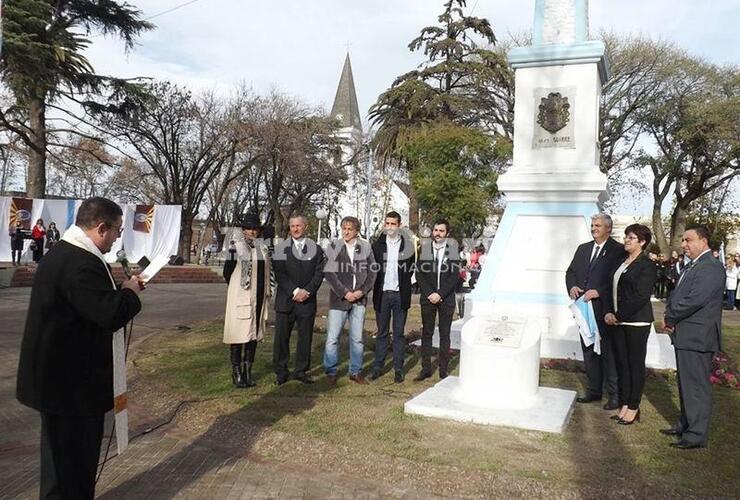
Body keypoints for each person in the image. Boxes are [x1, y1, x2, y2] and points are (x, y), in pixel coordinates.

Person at [16, 197, 144, 499]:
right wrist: (130, 293)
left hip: (57, 381)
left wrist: (120, 291)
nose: (116, 239)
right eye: (116, 231)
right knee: (74, 468)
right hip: (73, 389)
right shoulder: (81, 263)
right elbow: (109, 313)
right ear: (101, 227)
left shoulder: (62, 253)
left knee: (59, 465)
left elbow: (87, 306)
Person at [662, 226, 725, 449]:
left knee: (696, 386)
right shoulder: (695, 265)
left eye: (689, 240)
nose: (684, 244)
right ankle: (686, 424)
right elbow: (678, 294)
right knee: (686, 384)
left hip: (698, 336)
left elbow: (695, 299)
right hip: (687, 334)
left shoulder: (711, 266)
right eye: (683, 241)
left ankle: (696, 434)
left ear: (704, 240)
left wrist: (670, 315)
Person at [565, 213, 625, 410]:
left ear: (608, 228)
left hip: (604, 309)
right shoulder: (583, 249)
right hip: (584, 309)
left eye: (598, 225)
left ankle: (614, 395)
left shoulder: (617, 250)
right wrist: (572, 286)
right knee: (589, 350)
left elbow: (618, 279)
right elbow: (571, 272)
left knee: (608, 353)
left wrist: (599, 291)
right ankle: (594, 391)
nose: (594, 228)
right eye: (592, 225)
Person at [604, 224, 657, 425]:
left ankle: (634, 406)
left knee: (635, 364)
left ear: (642, 242)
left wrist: (618, 315)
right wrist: (610, 312)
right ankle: (625, 404)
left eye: (632, 237)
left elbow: (641, 296)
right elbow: (612, 288)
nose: (626, 240)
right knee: (622, 364)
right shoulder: (622, 262)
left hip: (636, 321)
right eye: (626, 236)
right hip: (618, 320)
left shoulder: (646, 265)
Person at [322, 216, 376, 385]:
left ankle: (356, 371)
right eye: (343, 228)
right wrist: (345, 293)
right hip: (339, 300)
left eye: (349, 229)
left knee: (357, 338)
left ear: (356, 231)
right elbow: (330, 274)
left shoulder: (365, 247)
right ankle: (331, 371)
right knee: (332, 337)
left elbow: (372, 272)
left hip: (359, 300)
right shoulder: (334, 247)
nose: (346, 231)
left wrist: (361, 291)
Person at [272, 214, 325, 385]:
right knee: (281, 338)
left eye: (298, 225)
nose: (295, 229)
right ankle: (281, 371)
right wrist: (295, 291)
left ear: (306, 227)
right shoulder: (280, 249)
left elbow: (319, 274)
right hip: (286, 300)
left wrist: (307, 291)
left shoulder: (316, 249)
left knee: (305, 338)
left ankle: (301, 371)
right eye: (292, 226)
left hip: (307, 302)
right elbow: (279, 274)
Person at [222, 215, 272, 388]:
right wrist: (238, 287)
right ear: (243, 230)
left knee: (253, 335)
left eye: (255, 229)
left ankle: (248, 371)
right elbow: (227, 272)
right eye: (249, 228)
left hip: (258, 296)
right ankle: (236, 372)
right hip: (241, 296)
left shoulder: (262, 249)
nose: (252, 231)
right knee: (238, 334)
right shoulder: (235, 247)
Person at [370, 211, 416, 383]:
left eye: (393, 224)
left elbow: (411, 269)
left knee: (398, 334)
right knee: (382, 333)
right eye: (387, 223)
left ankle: (398, 368)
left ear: (399, 225)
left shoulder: (408, 247)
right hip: (382, 295)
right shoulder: (377, 246)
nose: (389, 227)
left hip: (399, 295)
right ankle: (377, 367)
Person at [414, 219, 461, 381]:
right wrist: (430, 293)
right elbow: (419, 274)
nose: (438, 233)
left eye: (441, 231)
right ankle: (426, 369)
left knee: (444, 334)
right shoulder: (425, 249)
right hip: (428, 298)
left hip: (445, 299)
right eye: (435, 230)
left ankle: (443, 369)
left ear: (447, 233)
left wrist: (440, 294)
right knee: (426, 333)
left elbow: (454, 276)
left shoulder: (453, 250)